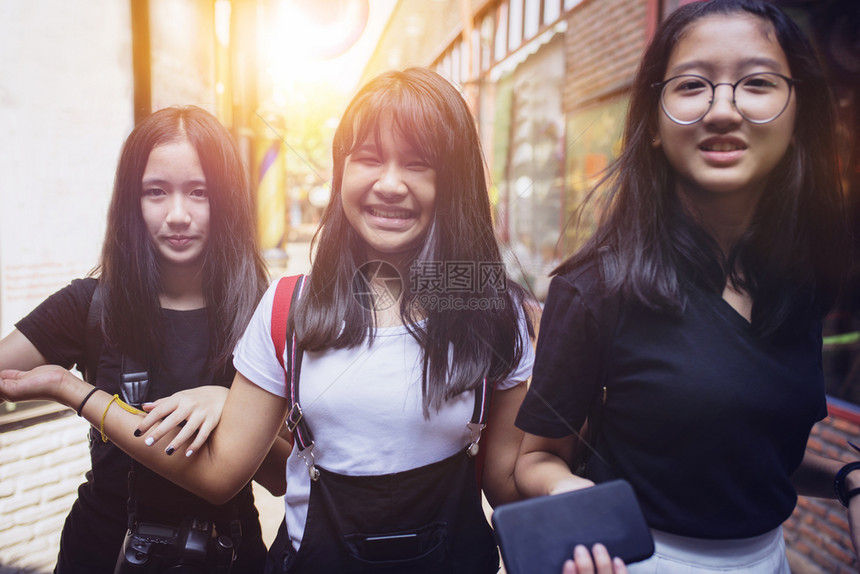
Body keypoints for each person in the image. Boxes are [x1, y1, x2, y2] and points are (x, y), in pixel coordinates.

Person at [1, 68, 535, 574]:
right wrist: (70, 388)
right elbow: (231, 471)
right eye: (369, 158)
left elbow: (509, 482)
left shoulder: (496, 311)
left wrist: (577, 385)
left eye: (418, 162)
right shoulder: (288, 309)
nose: (390, 183)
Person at [513, 0, 854, 572]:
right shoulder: (595, 287)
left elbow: (752, 456)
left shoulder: (800, 285)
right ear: (653, 123)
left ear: (798, 117)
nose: (723, 110)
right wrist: (581, 507)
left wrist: (849, 479)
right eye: (693, 85)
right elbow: (537, 459)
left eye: (757, 83)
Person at [0, 105, 282, 573]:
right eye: (156, 192)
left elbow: (281, 479)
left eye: (199, 192)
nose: (177, 215)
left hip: (227, 554)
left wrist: (230, 407)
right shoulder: (88, 305)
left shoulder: (265, 312)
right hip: (102, 552)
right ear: (131, 201)